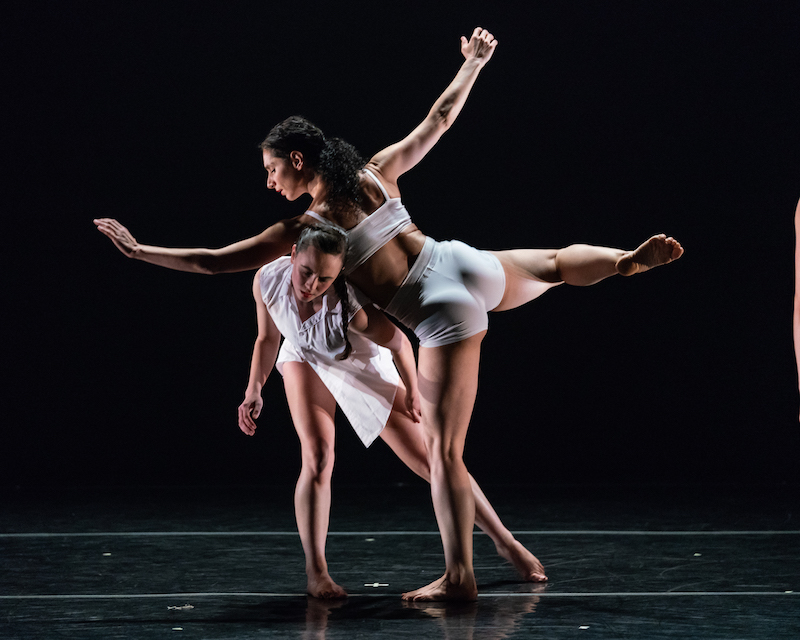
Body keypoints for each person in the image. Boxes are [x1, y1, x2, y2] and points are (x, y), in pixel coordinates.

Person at [95, 27, 684, 600]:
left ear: (298, 159)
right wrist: (473, 63)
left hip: (436, 310)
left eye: (273, 169)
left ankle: (460, 577)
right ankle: (623, 259)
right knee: (554, 263)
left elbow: (213, 262)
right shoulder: (375, 172)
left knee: (445, 454)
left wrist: (140, 250)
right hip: (458, 261)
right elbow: (440, 119)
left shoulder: (309, 228)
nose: (270, 181)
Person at [239, 224, 546, 598]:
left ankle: (505, 542)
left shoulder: (351, 310)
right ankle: (316, 572)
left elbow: (400, 343)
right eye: (306, 272)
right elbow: (267, 337)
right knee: (317, 457)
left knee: (431, 459)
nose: (312, 284)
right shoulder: (267, 280)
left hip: (360, 364)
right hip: (304, 355)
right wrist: (254, 387)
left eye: (324, 278)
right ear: (292, 255)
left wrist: (414, 391)